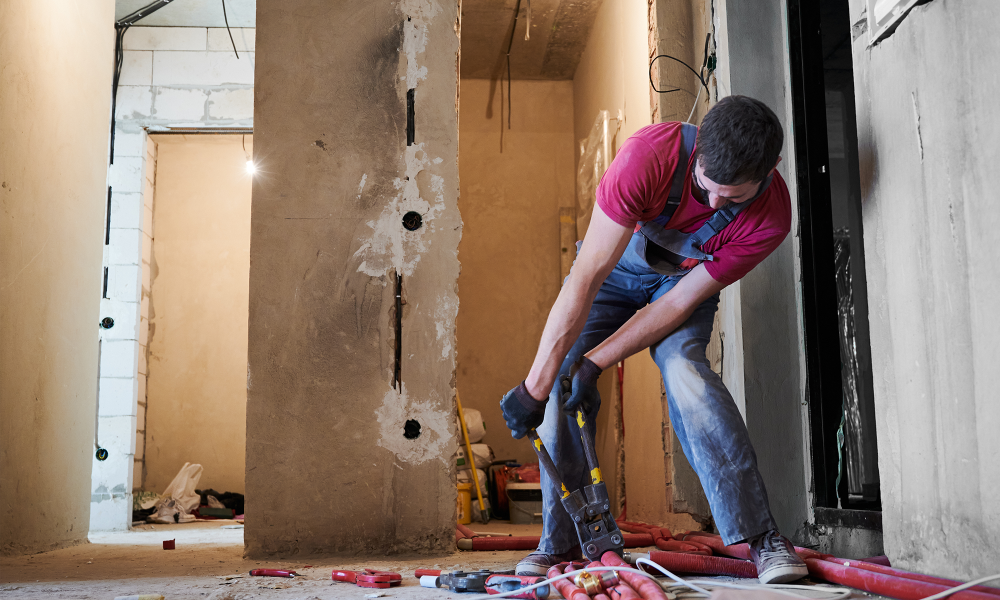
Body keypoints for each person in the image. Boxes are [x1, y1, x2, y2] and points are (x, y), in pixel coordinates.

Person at [499, 95, 808, 585]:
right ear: (699, 147)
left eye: (733, 197)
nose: (714, 204)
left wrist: (595, 364)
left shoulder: (770, 218)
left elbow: (675, 306)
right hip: (614, 272)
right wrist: (534, 387)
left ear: (769, 171)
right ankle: (559, 544)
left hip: (680, 287)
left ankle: (760, 537)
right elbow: (587, 278)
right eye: (708, 188)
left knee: (685, 370)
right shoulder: (649, 157)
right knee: (558, 383)